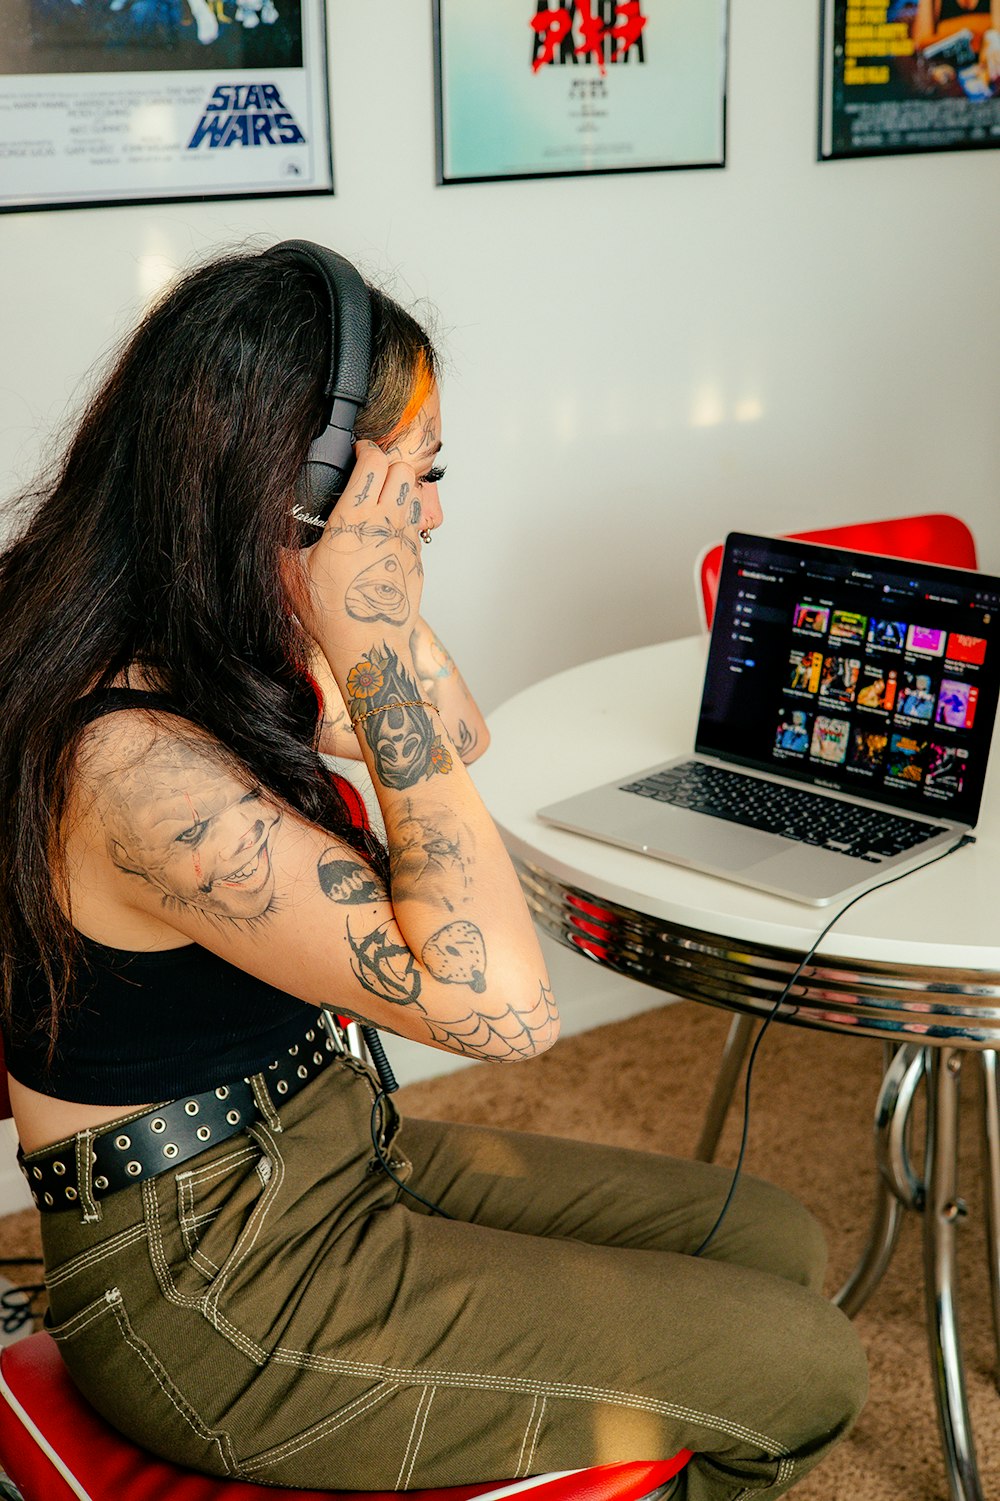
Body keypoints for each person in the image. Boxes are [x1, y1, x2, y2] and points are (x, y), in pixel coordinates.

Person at [0, 243, 866, 1497]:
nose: (434, 513)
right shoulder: (137, 769)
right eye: (412, 477)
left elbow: (455, 741)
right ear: (283, 491)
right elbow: (504, 1013)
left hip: (327, 1151)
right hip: (209, 1284)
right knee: (807, 1364)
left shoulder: (200, 629)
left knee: (770, 1235)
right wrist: (362, 643)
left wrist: (365, 610)